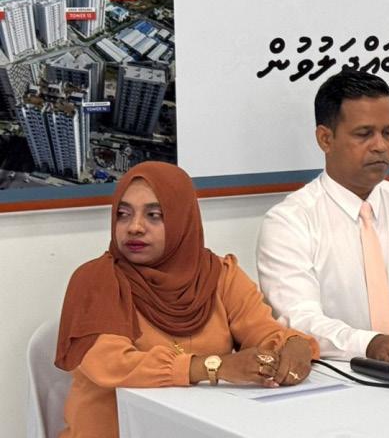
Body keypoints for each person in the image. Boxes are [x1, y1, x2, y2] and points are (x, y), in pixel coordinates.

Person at [55, 162, 318, 438]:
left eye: (154, 215)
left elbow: (261, 330)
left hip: (203, 429)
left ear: (183, 219)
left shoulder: (219, 275)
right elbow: (110, 364)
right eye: (123, 214)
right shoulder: (96, 280)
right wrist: (214, 366)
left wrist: (293, 345)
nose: (134, 227)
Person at [258, 70, 389, 365]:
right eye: (364, 134)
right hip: (341, 376)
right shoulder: (289, 222)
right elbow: (299, 320)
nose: (380, 145)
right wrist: (369, 344)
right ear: (325, 139)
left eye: (388, 132)